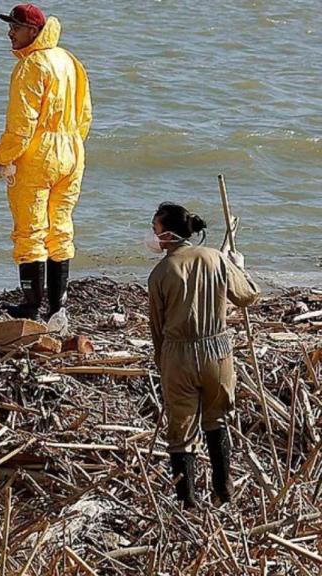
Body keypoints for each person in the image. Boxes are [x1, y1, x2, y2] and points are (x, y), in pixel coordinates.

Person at [146, 202, 260, 508]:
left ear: (168, 234)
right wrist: (238, 266)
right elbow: (249, 295)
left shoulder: (161, 273)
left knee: (181, 430)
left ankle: (189, 504)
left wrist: (163, 363)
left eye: (155, 229)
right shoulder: (216, 259)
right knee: (218, 419)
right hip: (218, 353)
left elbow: (157, 329)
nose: (153, 236)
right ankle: (224, 493)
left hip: (178, 354)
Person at [0, 4, 91, 320]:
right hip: (72, 151)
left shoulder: (31, 65)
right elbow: (85, 112)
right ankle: (58, 307)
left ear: (33, 31)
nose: (10, 32)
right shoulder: (68, 60)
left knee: (30, 231)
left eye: (16, 27)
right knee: (60, 228)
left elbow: (21, 125)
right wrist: (72, 146)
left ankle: (32, 307)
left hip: (38, 156)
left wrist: (2, 159)